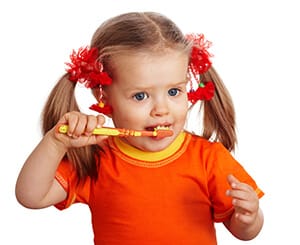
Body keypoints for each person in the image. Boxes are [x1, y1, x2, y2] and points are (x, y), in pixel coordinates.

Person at [15, 11, 264, 244]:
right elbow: (31, 197)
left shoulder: (208, 158)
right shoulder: (97, 158)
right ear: (102, 95)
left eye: (174, 91)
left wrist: (249, 218)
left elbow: (243, 233)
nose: (161, 110)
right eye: (140, 96)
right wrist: (55, 143)